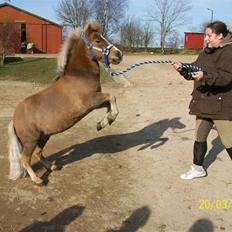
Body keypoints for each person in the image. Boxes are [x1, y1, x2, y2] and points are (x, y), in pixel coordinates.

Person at [172, 21, 232, 180]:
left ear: (220, 36)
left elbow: (226, 78)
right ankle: (198, 168)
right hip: (204, 103)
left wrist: (205, 77)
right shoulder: (206, 52)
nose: (206, 39)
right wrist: (182, 68)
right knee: (199, 137)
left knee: (229, 142)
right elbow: (195, 68)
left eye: (209, 35)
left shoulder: (229, 52)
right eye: (206, 35)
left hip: (221, 106)